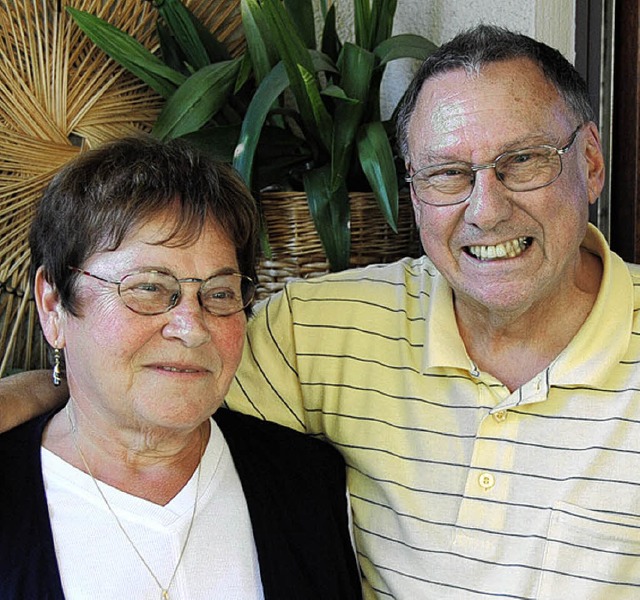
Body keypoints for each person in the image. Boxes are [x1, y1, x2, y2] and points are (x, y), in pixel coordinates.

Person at [2, 23, 640, 599]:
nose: (487, 208)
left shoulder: (296, 483)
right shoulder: (320, 330)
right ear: (411, 190)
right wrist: (48, 385)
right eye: (447, 173)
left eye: (522, 160)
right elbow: (155, 386)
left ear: (589, 161)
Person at [0, 136, 362, 599]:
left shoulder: (308, 483)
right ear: (53, 306)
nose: (191, 328)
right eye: (149, 288)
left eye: (219, 293)